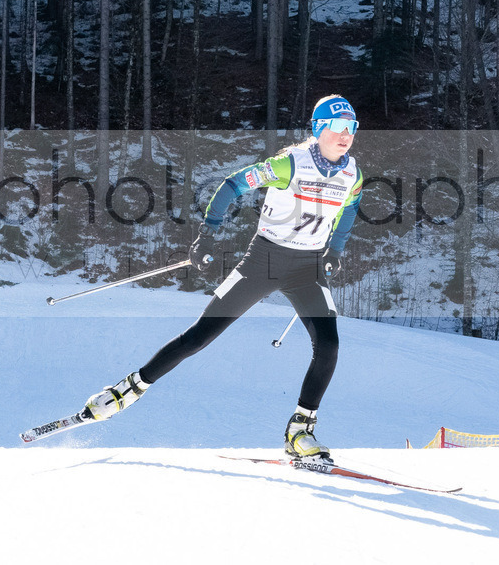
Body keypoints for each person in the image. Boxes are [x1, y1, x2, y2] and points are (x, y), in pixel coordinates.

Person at [83, 95, 364, 463]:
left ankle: (300, 431)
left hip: (307, 268)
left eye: (352, 127)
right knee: (200, 336)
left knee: (329, 346)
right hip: (265, 260)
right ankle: (127, 389)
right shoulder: (288, 164)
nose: (346, 135)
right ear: (319, 129)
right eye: (338, 127)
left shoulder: (352, 173)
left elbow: (350, 208)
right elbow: (233, 185)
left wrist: (335, 251)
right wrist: (207, 234)